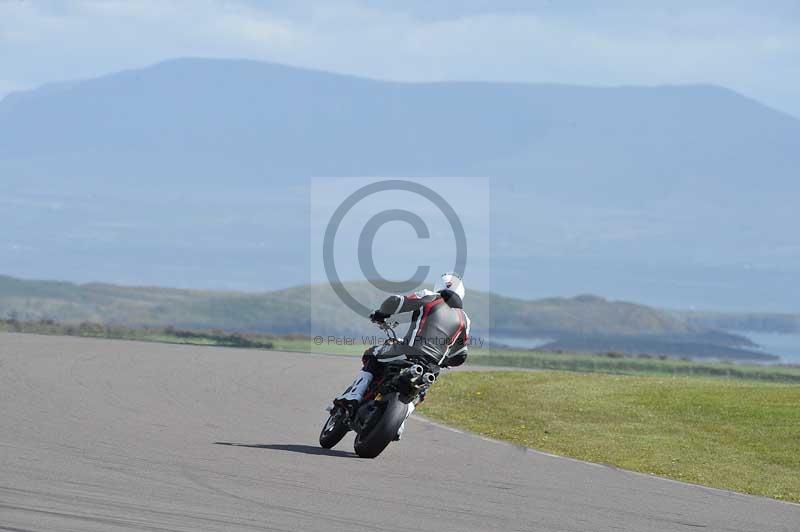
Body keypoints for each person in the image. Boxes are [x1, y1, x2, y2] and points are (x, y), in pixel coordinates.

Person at [333, 272, 470, 410]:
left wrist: (381, 314)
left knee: (372, 354)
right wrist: (444, 361)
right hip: (432, 367)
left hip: (408, 352)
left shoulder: (430, 296)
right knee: (420, 393)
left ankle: (354, 395)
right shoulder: (465, 320)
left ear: (439, 285)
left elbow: (396, 302)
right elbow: (460, 355)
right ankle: (400, 425)